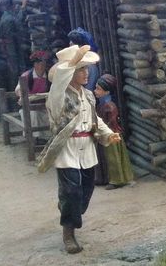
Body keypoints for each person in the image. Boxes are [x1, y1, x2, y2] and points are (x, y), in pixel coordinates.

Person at [37, 44, 121, 253]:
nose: (86, 73)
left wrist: (108, 134)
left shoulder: (89, 96)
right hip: (67, 149)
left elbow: (94, 120)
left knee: (86, 190)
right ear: (70, 73)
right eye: (81, 69)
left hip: (87, 147)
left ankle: (67, 207)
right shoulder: (57, 97)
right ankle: (69, 234)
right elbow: (58, 84)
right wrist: (71, 62)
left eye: (86, 69)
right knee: (72, 191)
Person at [93, 74, 135, 189]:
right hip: (104, 134)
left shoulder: (110, 106)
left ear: (106, 92)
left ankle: (117, 180)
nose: (95, 91)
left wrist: (105, 132)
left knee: (113, 158)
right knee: (106, 158)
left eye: (98, 89)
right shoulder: (102, 104)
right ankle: (106, 178)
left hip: (111, 134)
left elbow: (111, 123)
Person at [15, 50, 51, 142]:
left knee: (50, 115)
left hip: (45, 105)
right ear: (34, 64)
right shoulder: (26, 76)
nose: (41, 66)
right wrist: (22, 96)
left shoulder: (49, 76)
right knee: (33, 115)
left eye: (43, 63)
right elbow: (19, 89)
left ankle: (46, 137)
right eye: (38, 63)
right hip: (30, 107)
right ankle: (34, 138)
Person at [66, 28, 99, 93]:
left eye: (73, 42)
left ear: (80, 46)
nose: (70, 43)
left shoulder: (90, 65)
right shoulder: (76, 62)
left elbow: (89, 88)